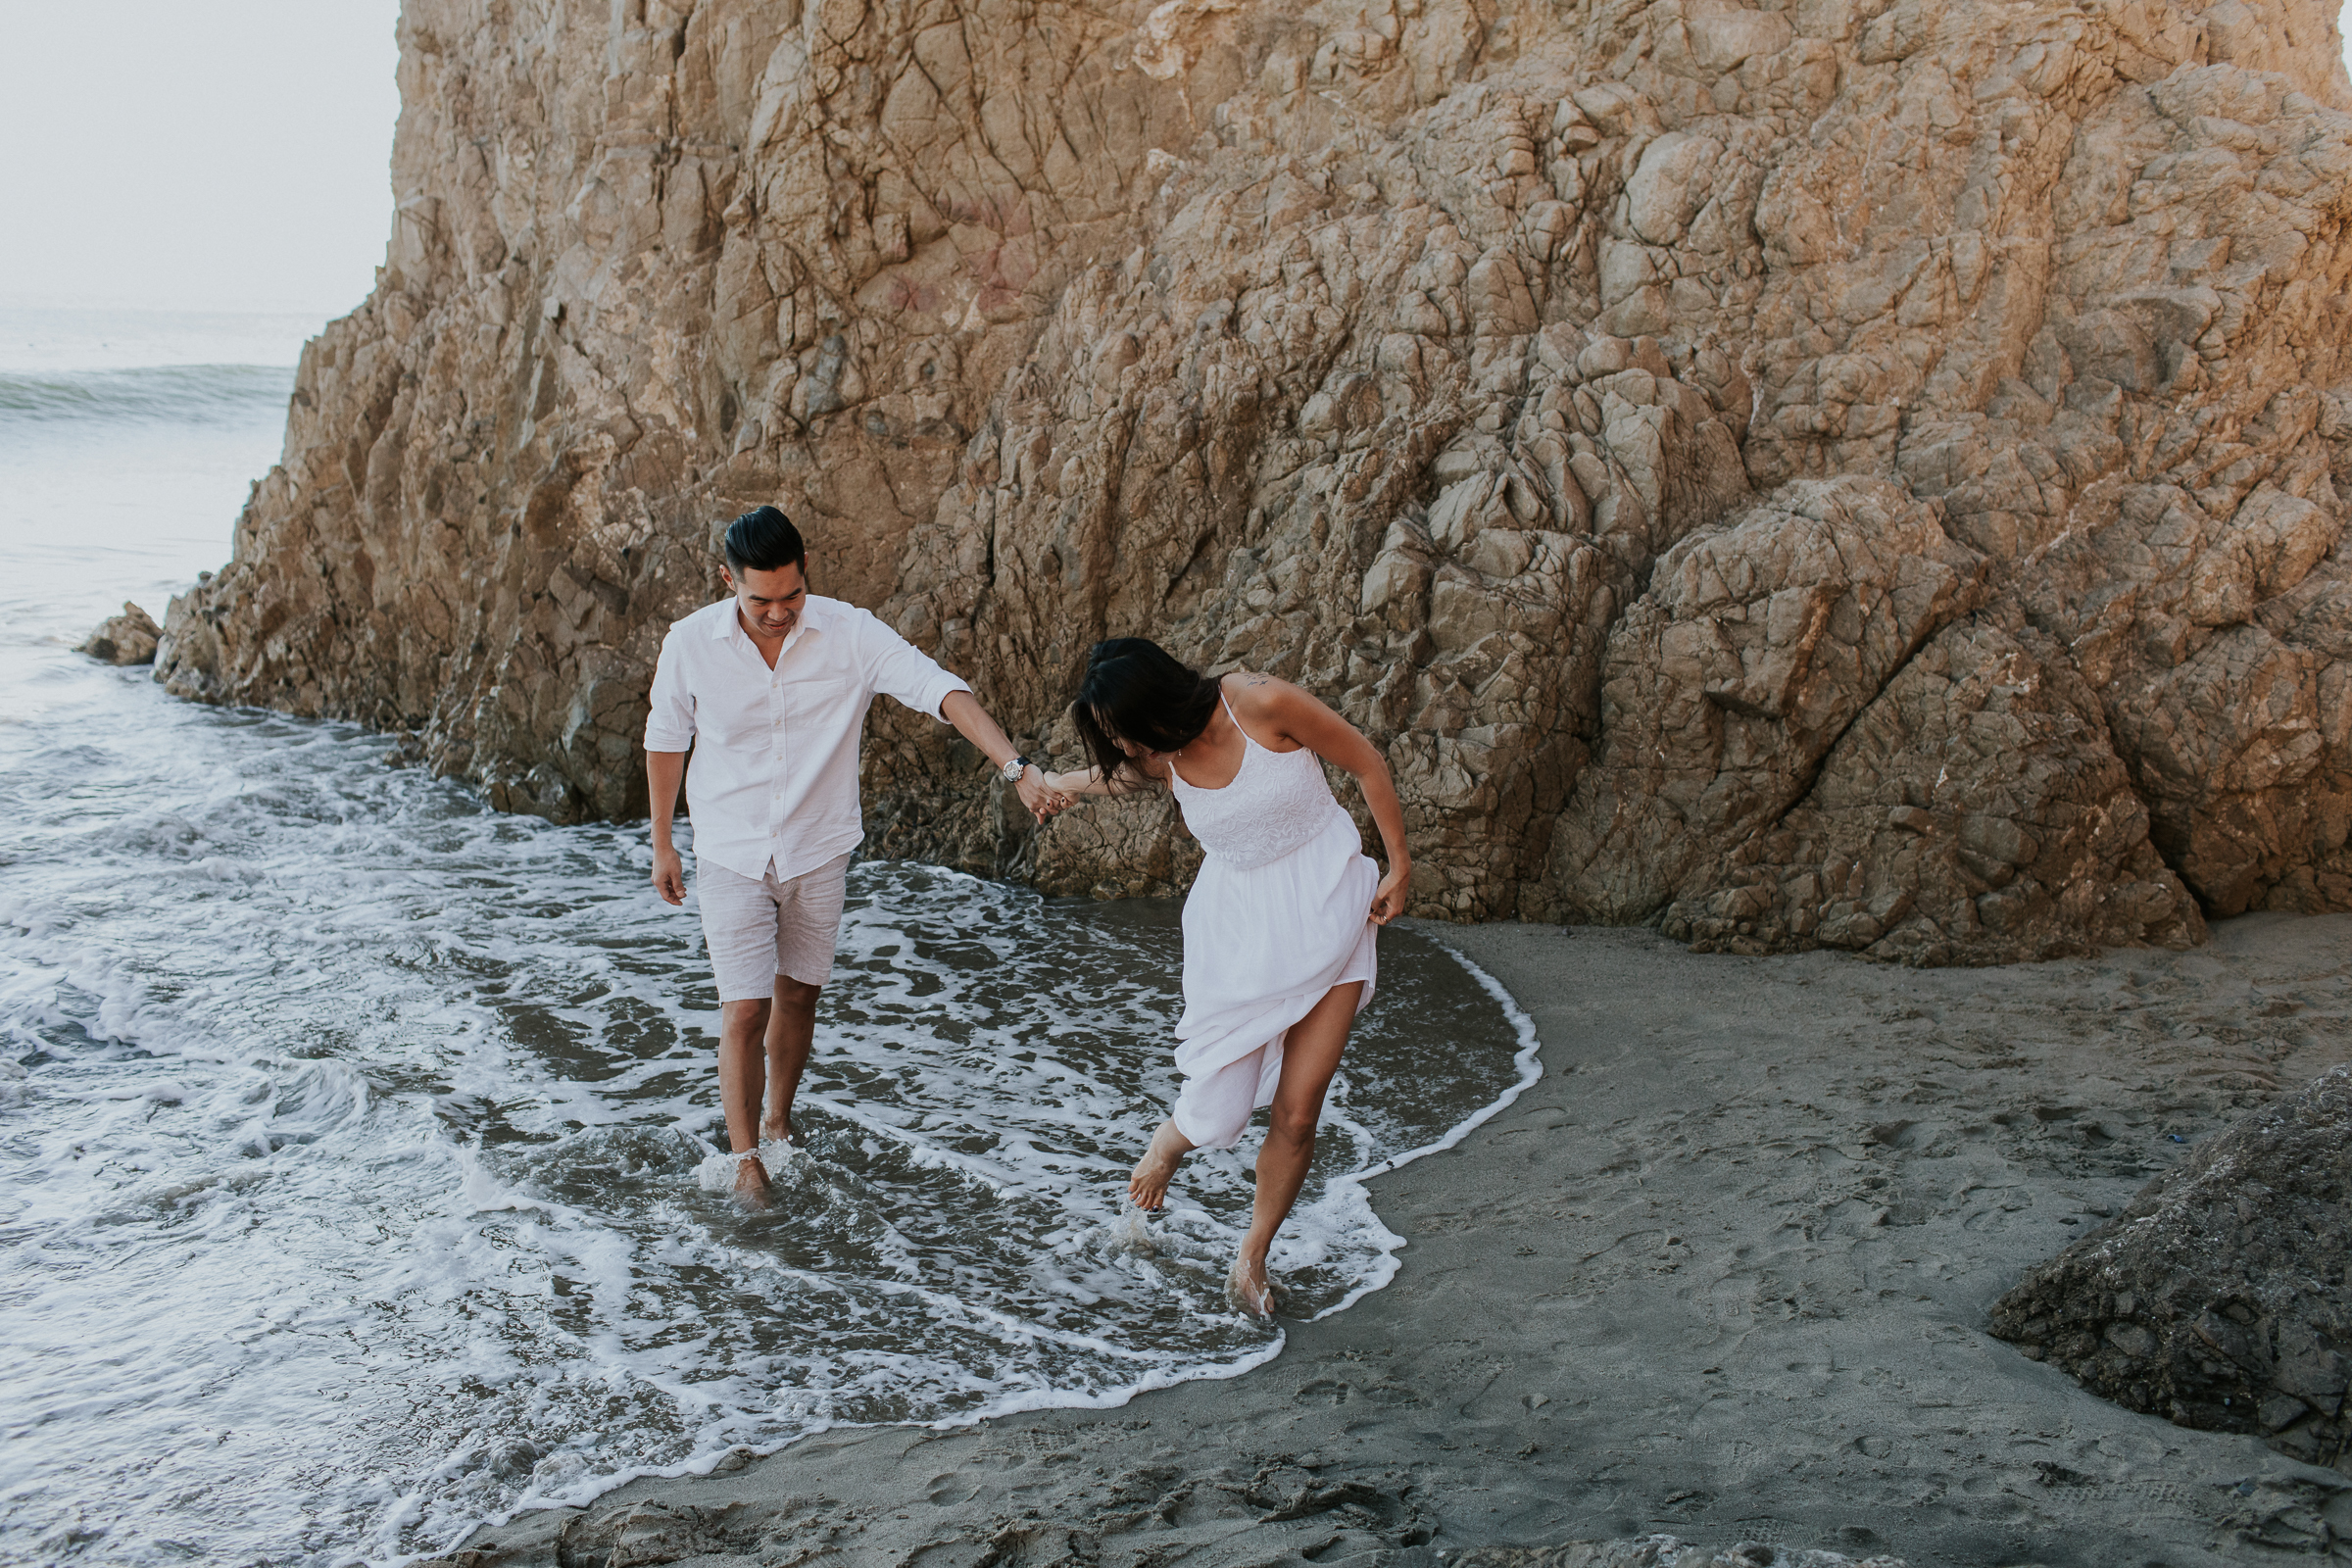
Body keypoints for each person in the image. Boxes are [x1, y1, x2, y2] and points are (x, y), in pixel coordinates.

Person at [645, 506, 1057, 1210]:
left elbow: (942, 690)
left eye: (792, 596)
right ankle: (747, 1164)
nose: (778, 614)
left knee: (800, 994)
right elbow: (665, 738)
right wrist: (661, 841)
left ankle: (779, 1117)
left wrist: (1016, 767)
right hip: (731, 850)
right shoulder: (689, 643)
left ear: (807, 576)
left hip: (818, 848)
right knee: (745, 1008)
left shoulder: (850, 633)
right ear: (727, 580)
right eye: (760, 600)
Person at [1038, 639, 1410, 1316]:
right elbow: (1119, 779)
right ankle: (1171, 1141)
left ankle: (1252, 1258)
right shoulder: (1160, 757)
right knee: (1225, 1106)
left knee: (1298, 1112)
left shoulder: (1259, 702)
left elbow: (1365, 762)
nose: (1124, 746)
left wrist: (1399, 865)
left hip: (1331, 906)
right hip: (1242, 936)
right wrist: (1059, 785)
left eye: (1125, 730)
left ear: (1156, 703)